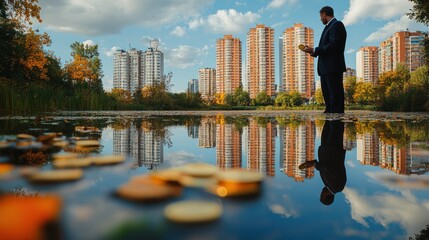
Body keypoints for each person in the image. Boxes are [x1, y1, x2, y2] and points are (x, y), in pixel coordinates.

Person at [302, 6, 347, 113]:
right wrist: (313, 52)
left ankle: (336, 125)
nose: (320, 19)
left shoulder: (336, 25)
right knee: (329, 100)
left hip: (333, 67)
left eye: (321, 16)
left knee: (335, 98)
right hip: (326, 69)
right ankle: (330, 123)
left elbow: (333, 45)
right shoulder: (329, 27)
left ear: (324, 14)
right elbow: (327, 47)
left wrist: (315, 49)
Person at [299, 120, 346, 205]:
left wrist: (312, 163)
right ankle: (336, 109)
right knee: (335, 125)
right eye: (321, 195)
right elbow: (330, 169)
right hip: (333, 149)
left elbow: (325, 168)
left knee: (328, 123)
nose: (320, 192)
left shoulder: (329, 185)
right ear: (324, 196)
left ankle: (330, 109)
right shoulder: (337, 187)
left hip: (327, 148)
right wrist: (314, 164)